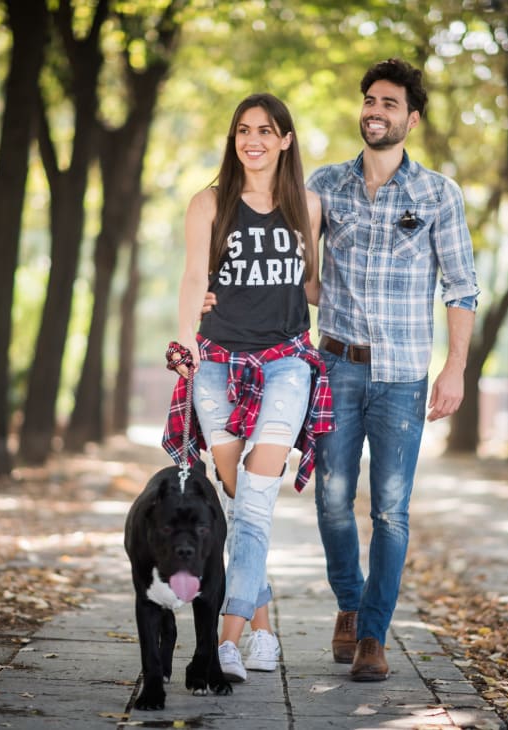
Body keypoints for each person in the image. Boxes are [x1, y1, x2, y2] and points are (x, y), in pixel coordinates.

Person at [308, 58, 479, 681]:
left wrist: (454, 370)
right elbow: (293, 267)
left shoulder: (439, 194)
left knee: (390, 511)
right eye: (369, 101)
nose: (375, 112)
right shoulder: (324, 185)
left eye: (388, 104)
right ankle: (350, 606)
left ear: (411, 117)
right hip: (335, 368)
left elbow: (461, 288)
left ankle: (373, 636)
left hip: (404, 376)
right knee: (330, 502)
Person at [162, 93, 333, 683]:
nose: (252, 139)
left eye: (265, 130)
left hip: (286, 362)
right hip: (216, 365)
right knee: (241, 507)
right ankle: (265, 630)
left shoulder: (308, 206)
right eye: (242, 130)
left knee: (255, 504)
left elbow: (312, 286)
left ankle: (223, 642)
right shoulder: (208, 203)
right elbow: (192, 277)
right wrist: (186, 338)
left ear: (286, 138)